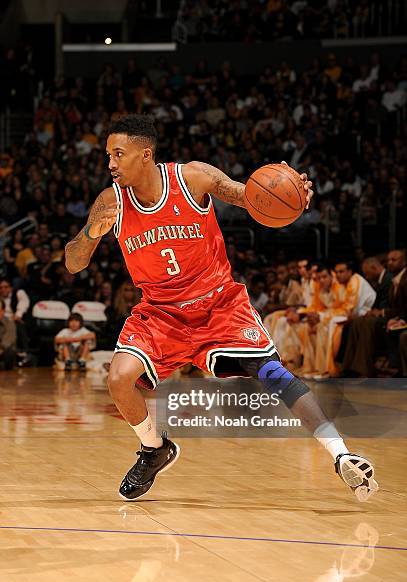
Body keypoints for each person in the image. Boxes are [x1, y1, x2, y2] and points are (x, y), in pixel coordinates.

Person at [65, 114, 378, 502]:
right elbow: (73, 262)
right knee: (118, 378)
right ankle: (154, 449)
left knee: (272, 372)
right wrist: (92, 234)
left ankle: (341, 454)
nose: (110, 163)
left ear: (145, 155)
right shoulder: (110, 202)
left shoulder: (192, 178)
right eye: (108, 155)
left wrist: (292, 192)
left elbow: (248, 195)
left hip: (218, 303)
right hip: (161, 313)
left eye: (118, 154)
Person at [0, 298, 16, 370]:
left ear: (2, 311)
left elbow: (5, 344)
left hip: (3, 353)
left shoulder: (9, 323)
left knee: (9, 352)